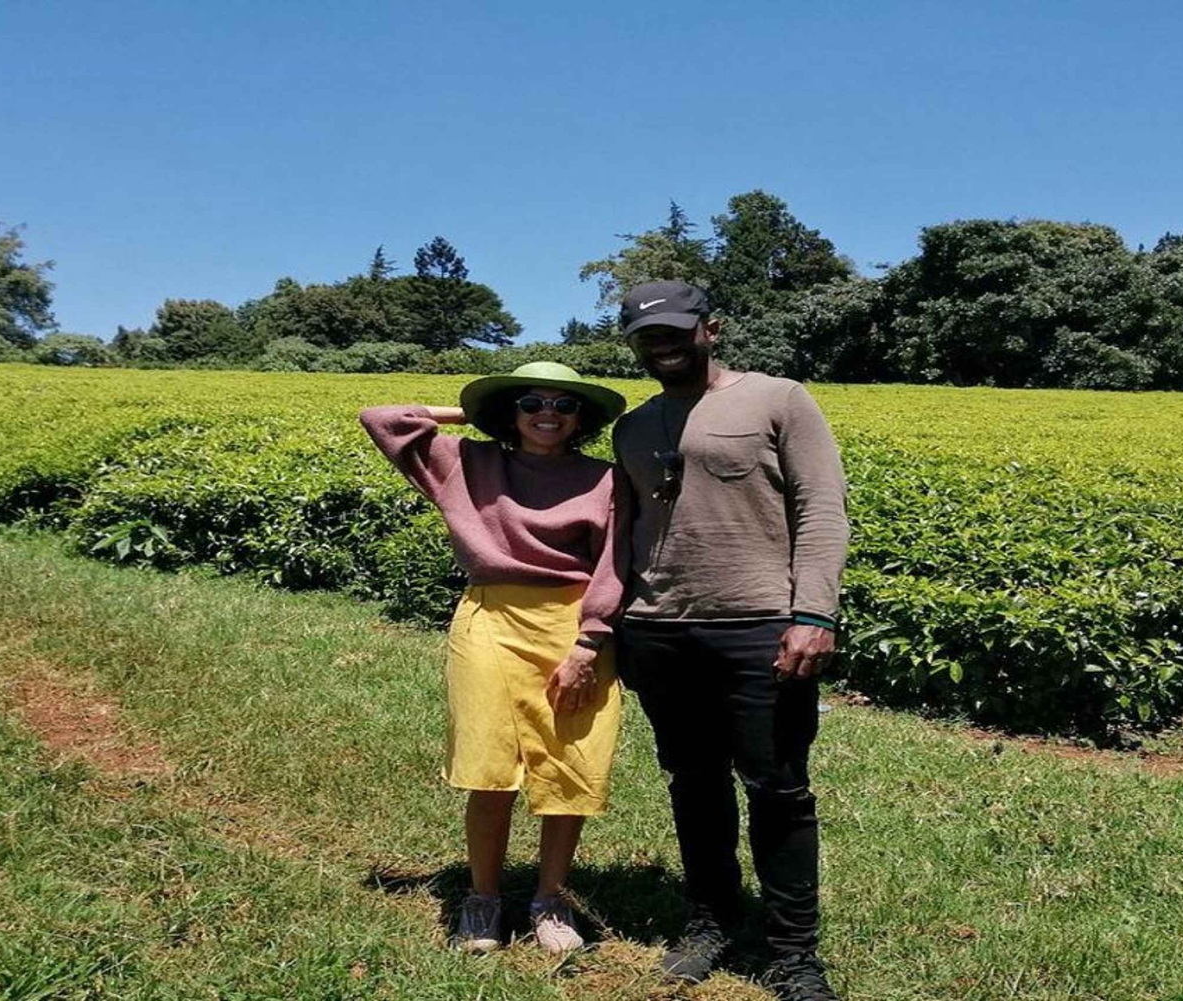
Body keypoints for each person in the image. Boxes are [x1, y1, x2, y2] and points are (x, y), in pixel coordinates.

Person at [610, 281, 850, 1001]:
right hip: (659, 627)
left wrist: (815, 613)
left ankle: (793, 953)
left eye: (675, 332)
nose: (662, 346)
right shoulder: (633, 426)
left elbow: (822, 506)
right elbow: (625, 528)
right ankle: (710, 920)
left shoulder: (780, 399)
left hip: (760, 625)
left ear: (711, 330)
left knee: (777, 788)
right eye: (647, 337)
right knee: (693, 782)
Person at [359, 361, 628, 955]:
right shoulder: (466, 462)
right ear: (510, 412)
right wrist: (475, 414)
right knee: (489, 764)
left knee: (570, 763)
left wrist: (590, 642)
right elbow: (381, 419)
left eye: (564, 404)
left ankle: (550, 899)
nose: (548, 414)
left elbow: (614, 564)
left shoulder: (605, 479)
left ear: (582, 417)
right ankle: (483, 899)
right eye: (531, 403)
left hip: (572, 625)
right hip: (490, 620)